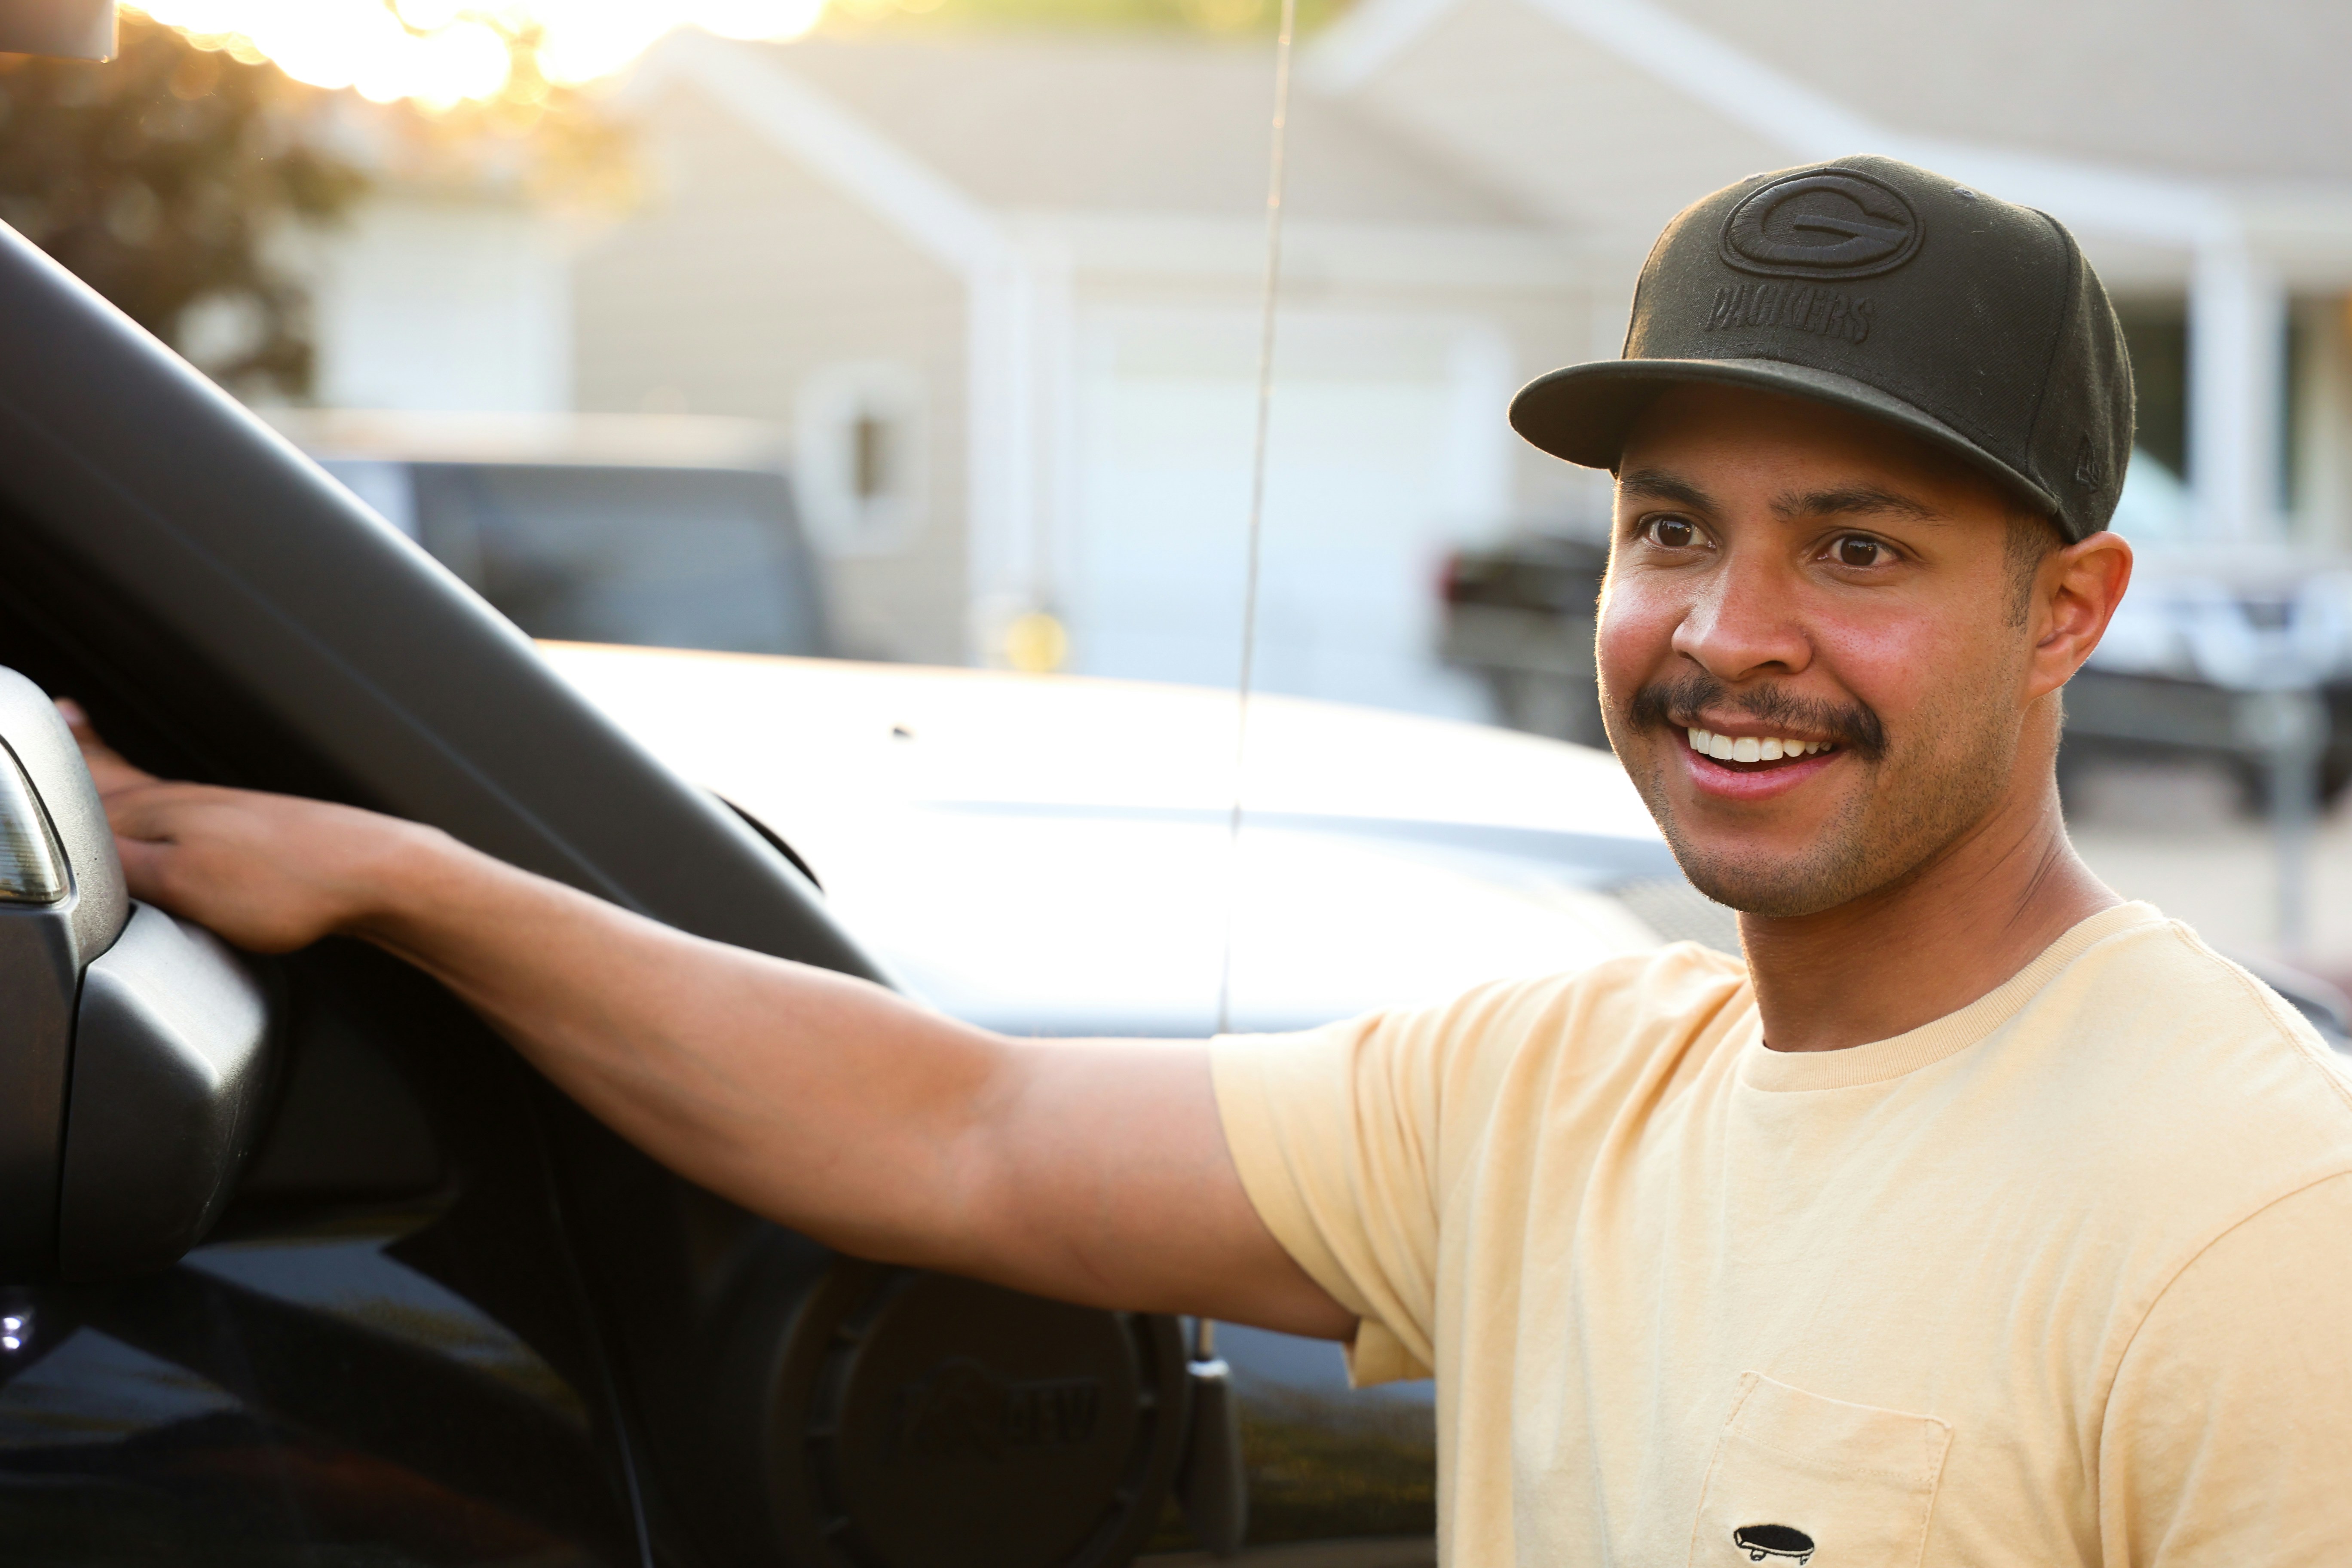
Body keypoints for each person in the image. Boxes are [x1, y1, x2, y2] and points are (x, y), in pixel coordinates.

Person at [68, 156, 2352, 1562]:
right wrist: (402, 886)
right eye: (1673, 531)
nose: (1726, 636)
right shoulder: (1554, 1090)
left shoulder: (2251, 1225)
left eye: (1854, 548)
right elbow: (960, 1129)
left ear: (2069, 611)